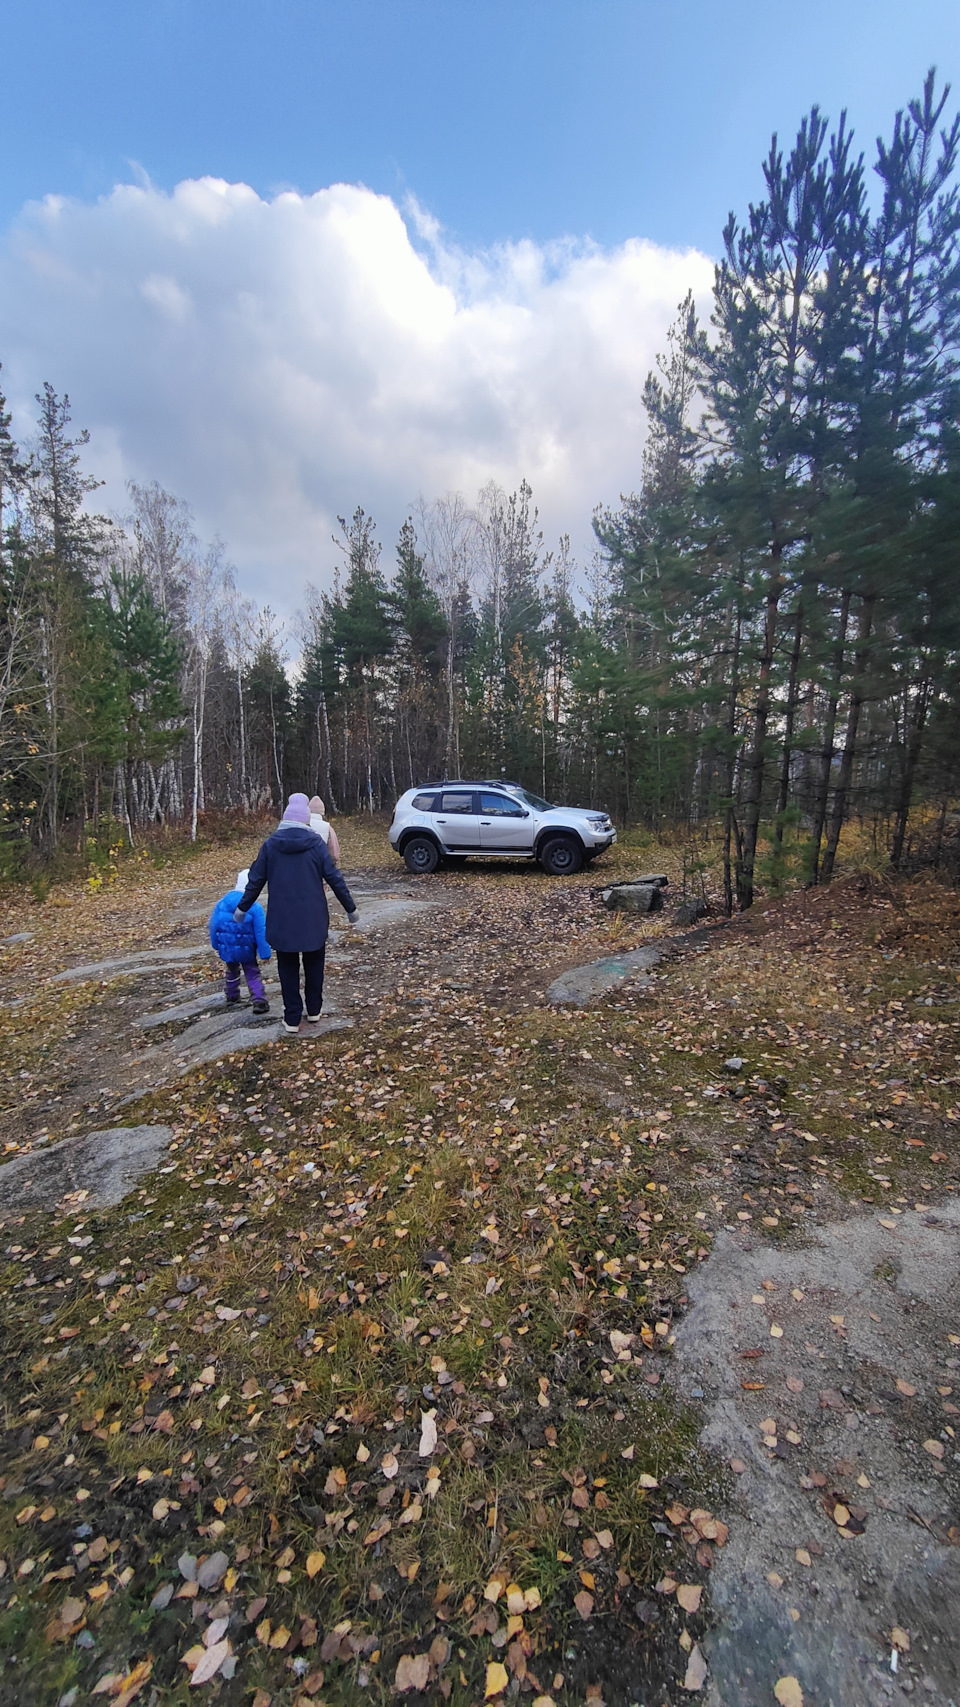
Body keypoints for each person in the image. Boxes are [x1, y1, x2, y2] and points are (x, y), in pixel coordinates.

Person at [235, 792, 358, 1034]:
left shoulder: (271, 845)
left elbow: (256, 879)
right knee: (314, 964)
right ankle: (314, 1010)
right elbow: (334, 878)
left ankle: (292, 1018)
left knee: (288, 967)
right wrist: (350, 909)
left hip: (282, 920)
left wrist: (242, 908)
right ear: (306, 821)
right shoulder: (316, 845)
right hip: (313, 919)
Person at [208, 867, 271, 1013]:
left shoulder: (221, 903)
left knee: (231, 971)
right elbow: (261, 932)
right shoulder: (255, 907)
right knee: (252, 972)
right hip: (247, 949)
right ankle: (259, 1000)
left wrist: (215, 944)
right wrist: (265, 953)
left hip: (227, 947)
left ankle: (232, 996)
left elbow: (213, 924)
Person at [308, 795, 341, 864]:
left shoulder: (302, 825)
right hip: (321, 865)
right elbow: (334, 853)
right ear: (322, 812)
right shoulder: (327, 827)